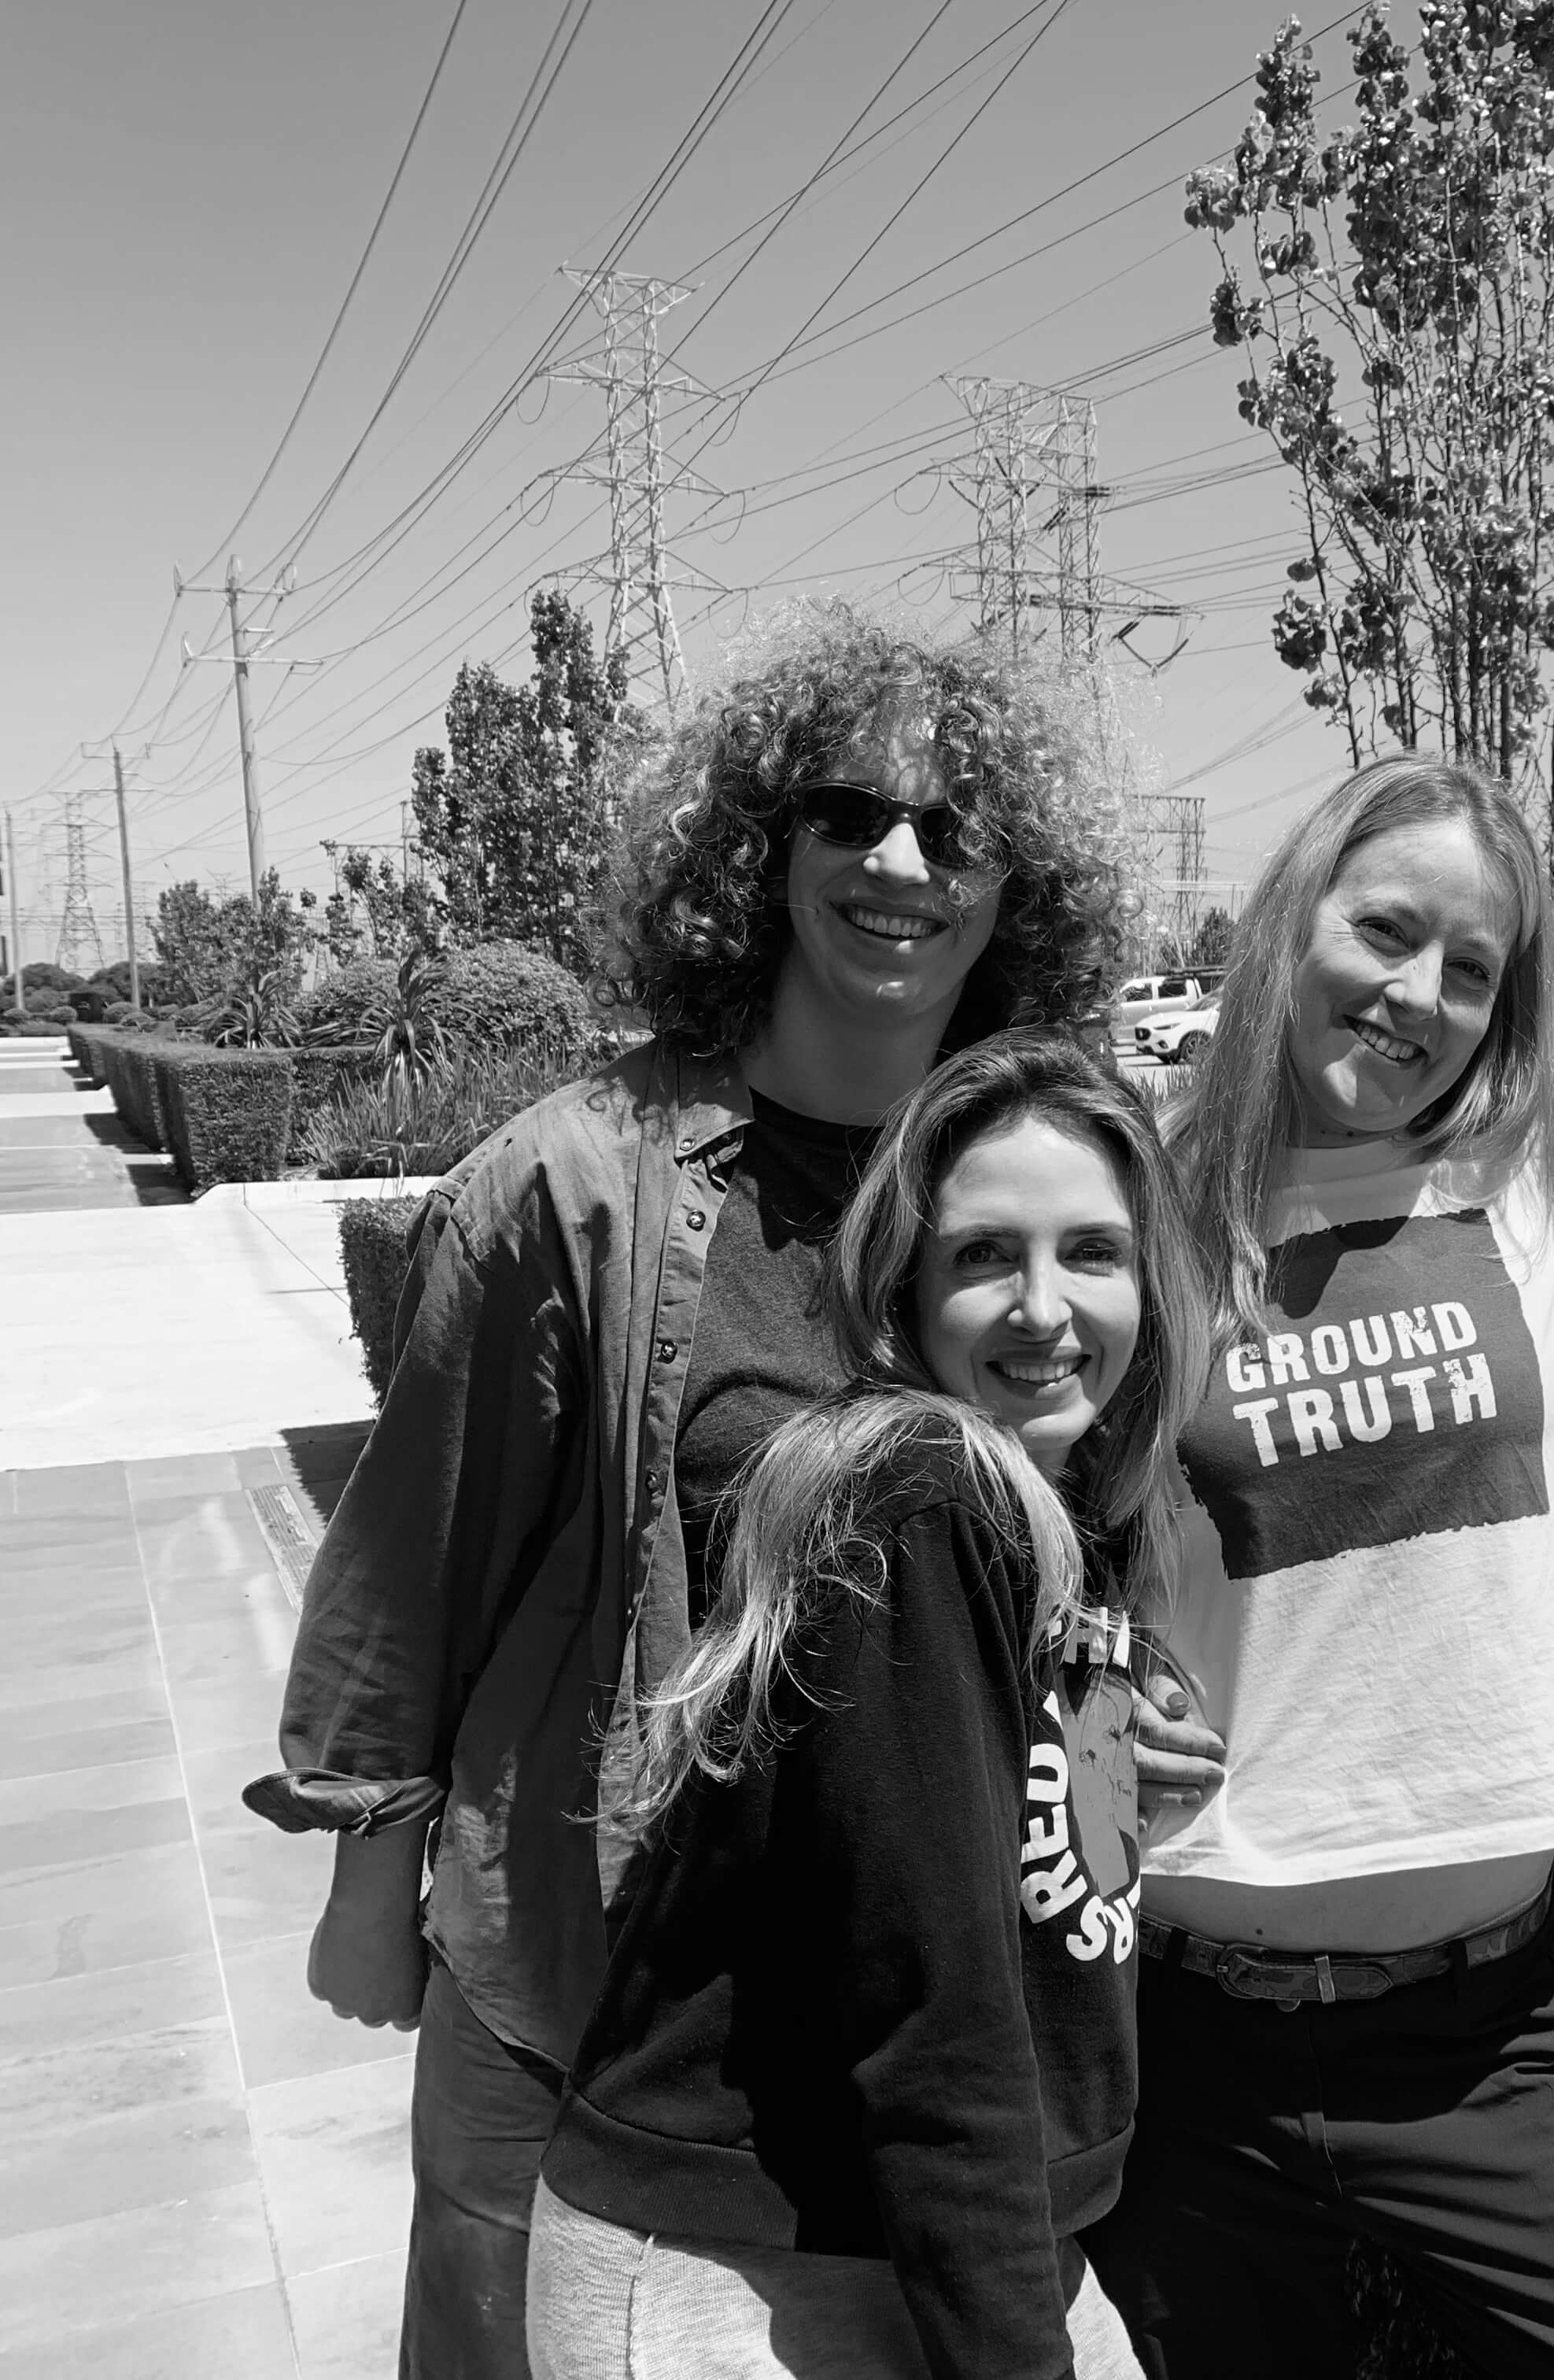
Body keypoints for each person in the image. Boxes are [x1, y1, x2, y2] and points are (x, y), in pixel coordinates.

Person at [245, 606, 1144, 2378]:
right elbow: (420, 1549)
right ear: (760, 849)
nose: (902, 863)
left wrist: (1109, 1798)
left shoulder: (1039, 1177)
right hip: (593, 1974)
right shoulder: (578, 1182)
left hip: (931, 1992)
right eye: (849, 813)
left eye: (954, 827)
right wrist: (370, 1878)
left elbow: (1091, 1547)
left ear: (1017, 884)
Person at [1078, 756, 1554, 2380]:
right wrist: (1092, 1699)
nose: (1418, 995)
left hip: (1500, 2034)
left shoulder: (1534, 1183)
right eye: (1385, 931)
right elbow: (1039, 1524)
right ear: (1291, 920)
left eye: (1472, 968)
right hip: (1192, 2044)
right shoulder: (1133, 1206)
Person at [526, 1034, 1208, 2378]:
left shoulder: (1060, 1497)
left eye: (1091, 1252)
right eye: (984, 1256)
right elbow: (937, 2007)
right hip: (744, 2261)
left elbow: (1019, 1878)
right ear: (904, 1292)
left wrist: (1113, 1783)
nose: (1043, 1308)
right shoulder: (921, 1502)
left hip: (919, 2228)